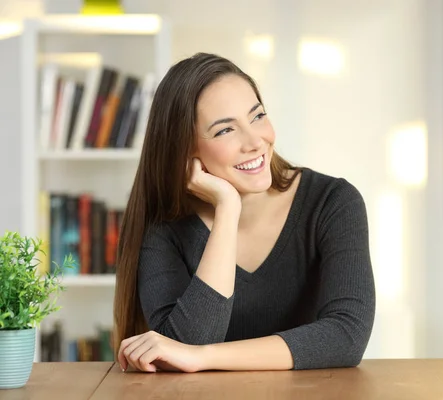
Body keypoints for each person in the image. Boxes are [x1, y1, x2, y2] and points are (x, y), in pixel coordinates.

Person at [113, 52, 376, 373]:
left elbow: (346, 335)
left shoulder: (333, 202)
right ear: (185, 148)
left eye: (257, 116)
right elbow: (179, 345)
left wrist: (204, 358)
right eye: (225, 130)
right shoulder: (164, 226)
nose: (255, 141)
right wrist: (227, 208)